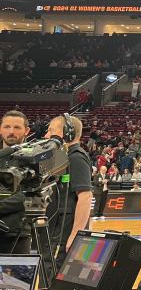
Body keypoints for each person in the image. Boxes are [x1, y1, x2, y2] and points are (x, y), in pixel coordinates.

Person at [45, 115, 93, 271]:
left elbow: (85, 197)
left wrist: (76, 235)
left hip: (66, 234)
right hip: (58, 230)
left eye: (51, 130)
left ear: (68, 133)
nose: (46, 135)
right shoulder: (63, 157)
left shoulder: (76, 157)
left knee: (59, 280)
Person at [0, 110, 32, 254]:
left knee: (13, 278)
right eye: (7, 127)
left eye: (17, 127)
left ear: (27, 131)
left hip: (16, 235)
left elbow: (31, 196)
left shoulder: (35, 158)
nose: (11, 131)